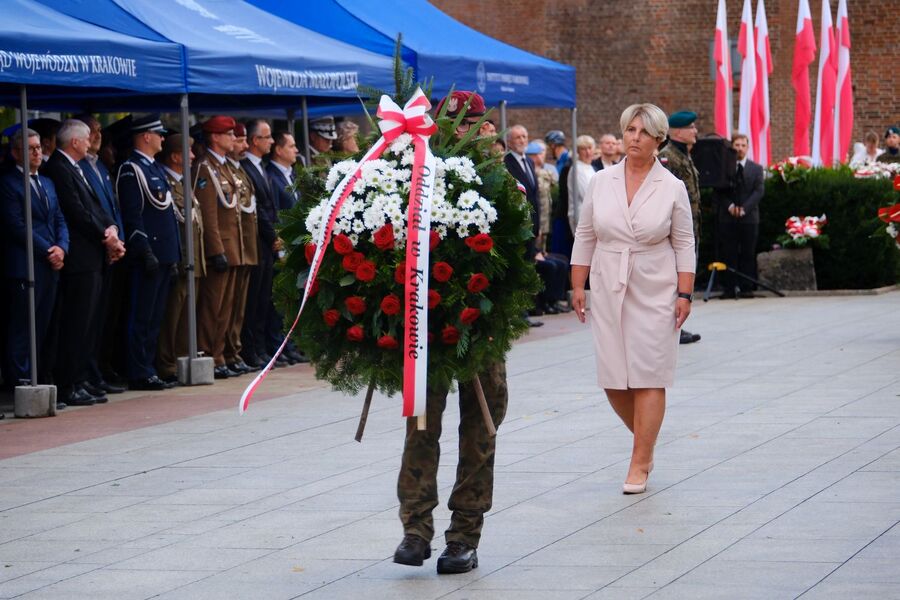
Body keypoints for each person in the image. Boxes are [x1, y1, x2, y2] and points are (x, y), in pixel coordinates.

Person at [393, 90, 509, 575]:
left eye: (471, 123)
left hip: (481, 328)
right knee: (421, 423)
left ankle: (463, 534)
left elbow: (515, 257)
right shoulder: (419, 175)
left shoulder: (504, 182)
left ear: (485, 128)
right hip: (430, 323)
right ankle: (415, 529)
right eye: (453, 123)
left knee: (479, 429)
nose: (460, 131)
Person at [571, 103, 696, 494]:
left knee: (648, 372)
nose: (634, 138)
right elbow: (586, 233)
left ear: (659, 139)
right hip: (608, 281)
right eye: (629, 130)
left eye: (643, 132)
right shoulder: (601, 182)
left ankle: (639, 460)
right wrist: (578, 285)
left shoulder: (671, 186)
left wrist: (685, 292)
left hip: (654, 284)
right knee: (613, 377)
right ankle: (647, 439)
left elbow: (684, 241)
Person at [44, 119, 124, 407]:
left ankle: (79, 380)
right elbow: (76, 211)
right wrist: (106, 235)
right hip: (79, 258)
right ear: (75, 142)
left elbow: (96, 207)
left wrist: (111, 229)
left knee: (89, 324)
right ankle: (68, 384)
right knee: (75, 324)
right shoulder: (59, 167)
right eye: (87, 138)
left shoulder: (75, 167)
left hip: (93, 255)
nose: (91, 142)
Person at [0, 129, 68, 393]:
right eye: (30, 149)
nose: (37, 152)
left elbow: (59, 219)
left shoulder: (47, 183)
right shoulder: (9, 183)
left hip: (50, 263)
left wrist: (62, 248)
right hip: (26, 263)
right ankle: (21, 382)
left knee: (41, 324)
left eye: (39, 147)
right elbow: (17, 226)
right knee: (22, 326)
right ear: (16, 153)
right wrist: (48, 250)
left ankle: (36, 377)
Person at [116, 115, 181, 391]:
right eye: (158, 134)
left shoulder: (153, 168)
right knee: (141, 316)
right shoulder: (131, 170)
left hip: (164, 253)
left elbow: (166, 211)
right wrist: (144, 251)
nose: (162, 139)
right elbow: (133, 216)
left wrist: (173, 253)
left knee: (155, 317)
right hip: (148, 254)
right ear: (145, 136)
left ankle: (149, 366)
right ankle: (139, 370)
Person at [75, 114, 126, 396]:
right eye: (91, 132)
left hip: (110, 249)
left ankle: (98, 370)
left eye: (97, 131)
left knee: (104, 318)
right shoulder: (80, 167)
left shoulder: (100, 168)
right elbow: (88, 212)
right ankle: (86, 372)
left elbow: (110, 209)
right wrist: (107, 239)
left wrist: (117, 236)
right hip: (93, 251)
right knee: (88, 320)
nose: (97, 136)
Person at [194, 115, 242, 380]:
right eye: (228, 134)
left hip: (233, 247)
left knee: (226, 309)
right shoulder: (205, 168)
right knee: (213, 308)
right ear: (214, 137)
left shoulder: (222, 166)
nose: (233, 138)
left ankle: (220, 353)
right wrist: (215, 250)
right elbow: (209, 214)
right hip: (220, 249)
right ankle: (209, 353)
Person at [156, 134, 203, 384]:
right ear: (175, 157)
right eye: (188, 152)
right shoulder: (166, 183)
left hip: (192, 260)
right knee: (172, 316)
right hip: (180, 259)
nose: (193, 157)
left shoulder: (184, 183)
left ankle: (181, 358)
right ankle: (167, 364)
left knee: (186, 315)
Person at [505, 125, 568, 316]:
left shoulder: (530, 163)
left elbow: (535, 196)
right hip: (518, 226)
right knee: (522, 267)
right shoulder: (507, 163)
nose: (522, 140)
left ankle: (534, 306)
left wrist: (539, 225)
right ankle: (521, 310)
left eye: (524, 136)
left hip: (533, 225)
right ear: (509, 141)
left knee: (531, 267)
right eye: (517, 137)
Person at [658, 110, 701, 345]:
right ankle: (671, 326)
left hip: (688, 230)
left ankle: (677, 323)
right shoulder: (667, 157)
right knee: (674, 280)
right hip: (675, 232)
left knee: (684, 278)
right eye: (691, 127)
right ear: (677, 132)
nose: (695, 131)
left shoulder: (683, 154)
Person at [240, 119, 278, 369]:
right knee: (253, 301)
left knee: (265, 299)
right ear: (255, 141)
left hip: (268, 244)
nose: (271, 141)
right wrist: (273, 235)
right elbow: (258, 209)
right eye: (267, 137)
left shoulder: (261, 167)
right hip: (259, 241)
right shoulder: (246, 168)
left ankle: (263, 348)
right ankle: (251, 349)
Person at [223, 123, 258, 375]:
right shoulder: (210, 169)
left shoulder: (235, 170)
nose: (244, 146)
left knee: (237, 306)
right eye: (238, 140)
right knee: (219, 308)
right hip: (229, 248)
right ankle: (217, 355)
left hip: (244, 246)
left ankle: (232, 352)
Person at [717, 133, 764, 299]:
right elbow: (719, 191)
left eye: (743, 145)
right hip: (727, 218)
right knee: (728, 252)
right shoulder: (724, 168)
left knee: (747, 253)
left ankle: (746, 287)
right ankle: (729, 287)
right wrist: (730, 206)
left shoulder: (756, 169)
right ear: (732, 147)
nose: (740, 148)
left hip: (749, 219)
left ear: (748, 147)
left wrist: (744, 208)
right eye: (737, 145)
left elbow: (758, 191)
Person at [566, 135, 598, 237]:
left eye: (589, 148)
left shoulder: (590, 168)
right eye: (584, 149)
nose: (588, 152)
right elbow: (587, 194)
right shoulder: (577, 169)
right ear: (578, 152)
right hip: (581, 216)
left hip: (593, 215)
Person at [525, 141, 553, 252]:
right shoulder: (534, 174)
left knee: (543, 248)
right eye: (539, 154)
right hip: (537, 219)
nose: (542, 156)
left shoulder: (543, 171)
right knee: (537, 248)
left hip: (545, 216)